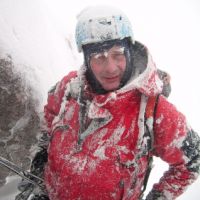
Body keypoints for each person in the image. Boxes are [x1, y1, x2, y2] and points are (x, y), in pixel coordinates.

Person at [16, 5, 200, 200]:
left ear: (129, 50)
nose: (111, 68)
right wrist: (39, 167)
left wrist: (158, 197)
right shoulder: (67, 88)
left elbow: (193, 159)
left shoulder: (154, 110)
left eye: (118, 54)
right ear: (86, 59)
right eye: (98, 57)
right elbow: (49, 124)